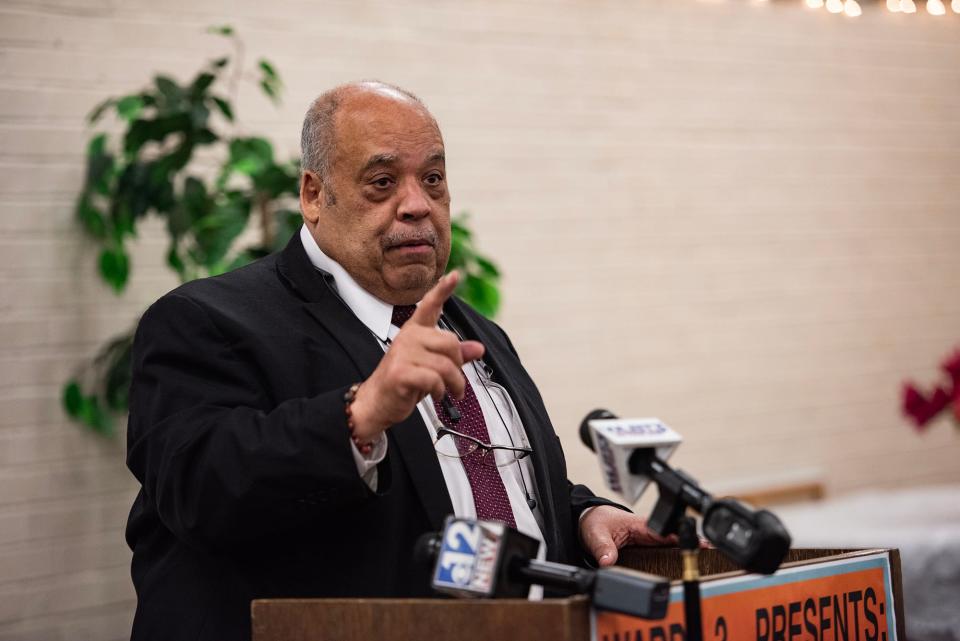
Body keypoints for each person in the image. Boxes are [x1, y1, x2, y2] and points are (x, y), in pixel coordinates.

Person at [125, 81, 672, 641]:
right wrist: (360, 415)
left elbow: (470, 486)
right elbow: (198, 491)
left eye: (432, 179)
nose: (417, 205)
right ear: (314, 196)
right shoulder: (206, 320)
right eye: (382, 182)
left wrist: (581, 516)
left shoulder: (471, 329)